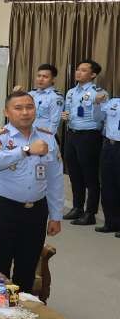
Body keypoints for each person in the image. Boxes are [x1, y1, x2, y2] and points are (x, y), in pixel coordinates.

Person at [0, 90, 64, 319]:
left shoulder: (48, 137)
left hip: (35, 210)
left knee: (27, 267)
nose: (25, 112)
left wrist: (56, 214)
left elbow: (55, 178)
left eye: (29, 107)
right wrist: (25, 150)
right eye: (19, 108)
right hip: (4, 208)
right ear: (7, 112)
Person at [61, 59, 109, 225]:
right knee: (74, 173)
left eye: (83, 70)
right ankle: (77, 208)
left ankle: (90, 213)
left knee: (90, 176)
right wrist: (64, 116)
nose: (78, 72)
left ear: (93, 74)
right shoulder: (71, 92)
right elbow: (67, 111)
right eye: (78, 69)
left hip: (89, 136)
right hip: (72, 134)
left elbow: (102, 119)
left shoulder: (99, 93)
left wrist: (96, 104)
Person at [22, 63, 63, 136]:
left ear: (53, 79)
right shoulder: (31, 94)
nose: (41, 79)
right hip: (28, 134)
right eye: (39, 76)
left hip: (44, 136)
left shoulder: (56, 97)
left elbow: (54, 123)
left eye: (45, 77)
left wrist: (47, 138)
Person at [101, 95, 120, 238]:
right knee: (108, 185)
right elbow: (100, 117)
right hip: (109, 145)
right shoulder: (113, 101)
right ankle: (110, 222)